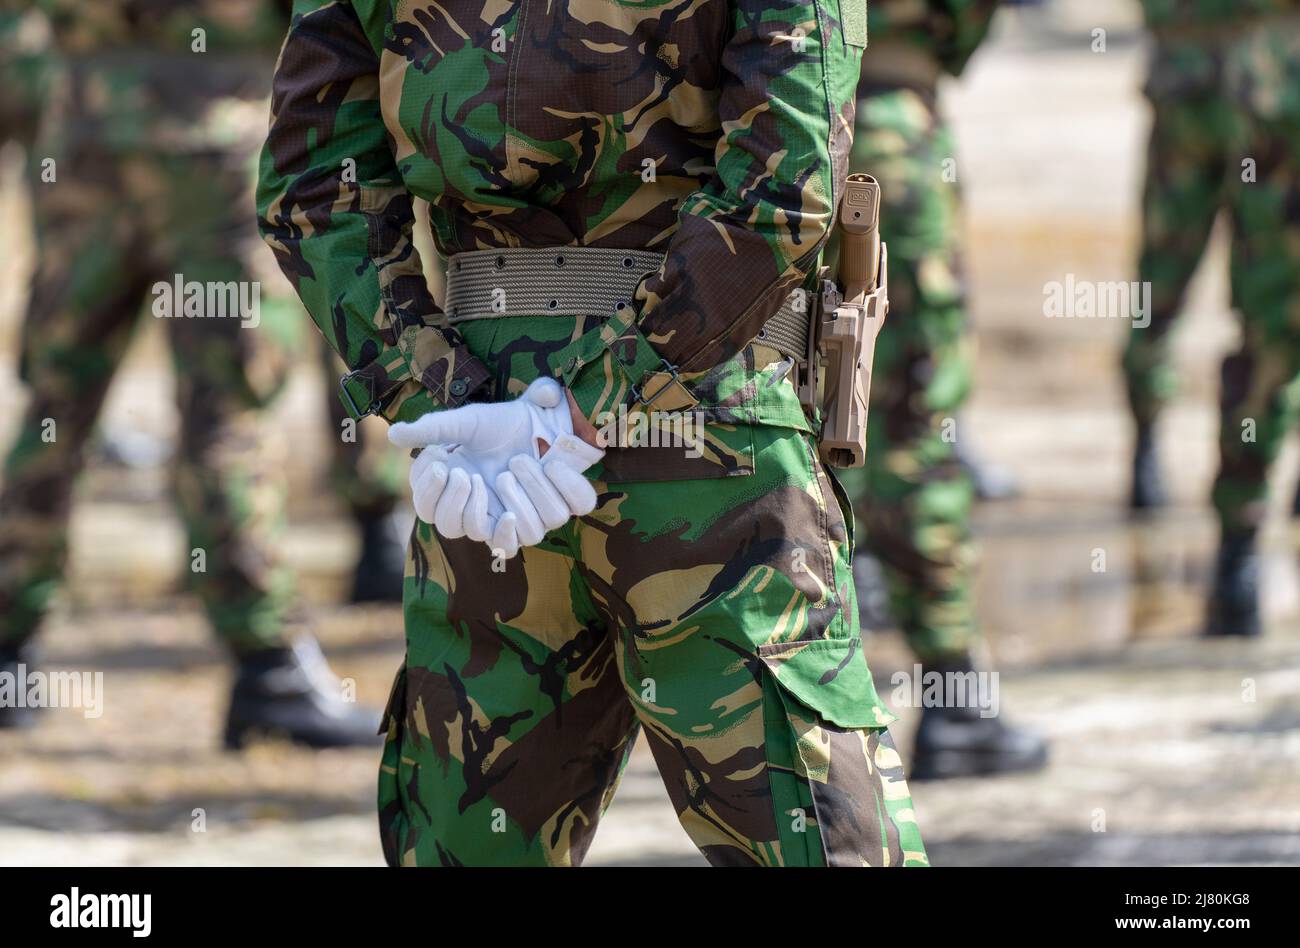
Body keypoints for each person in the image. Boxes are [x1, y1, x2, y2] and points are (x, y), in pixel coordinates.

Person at [259, 0, 929, 866]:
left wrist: (436, 396)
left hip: (489, 454)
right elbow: (784, 188)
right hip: (707, 432)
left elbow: (311, 182)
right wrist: (584, 408)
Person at [0, 0, 378, 747]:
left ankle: (6, 646)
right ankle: (267, 666)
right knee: (225, 414)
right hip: (215, 158)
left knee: (56, 402)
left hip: (83, 143)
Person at [834, 0, 1049, 779]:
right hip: (892, 121)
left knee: (788, 399)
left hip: (765, 141)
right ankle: (955, 699)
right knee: (915, 416)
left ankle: (815, 715)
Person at [1121, 0, 1300, 635]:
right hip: (1251, 87)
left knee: (1184, 296)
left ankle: (1235, 545)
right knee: (1249, 315)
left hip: (1217, 82)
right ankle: (1234, 542)